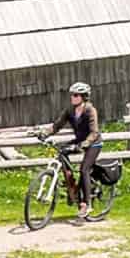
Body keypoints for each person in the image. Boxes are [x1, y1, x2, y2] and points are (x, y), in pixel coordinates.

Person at [49, 81, 102, 218]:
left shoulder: (90, 110)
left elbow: (94, 132)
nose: (72, 97)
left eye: (76, 95)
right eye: (72, 94)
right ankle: (72, 187)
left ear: (84, 97)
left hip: (93, 143)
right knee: (62, 152)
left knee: (84, 169)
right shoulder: (70, 110)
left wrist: (85, 144)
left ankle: (87, 203)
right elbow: (57, 125)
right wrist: (44, 133)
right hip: (79, 141)